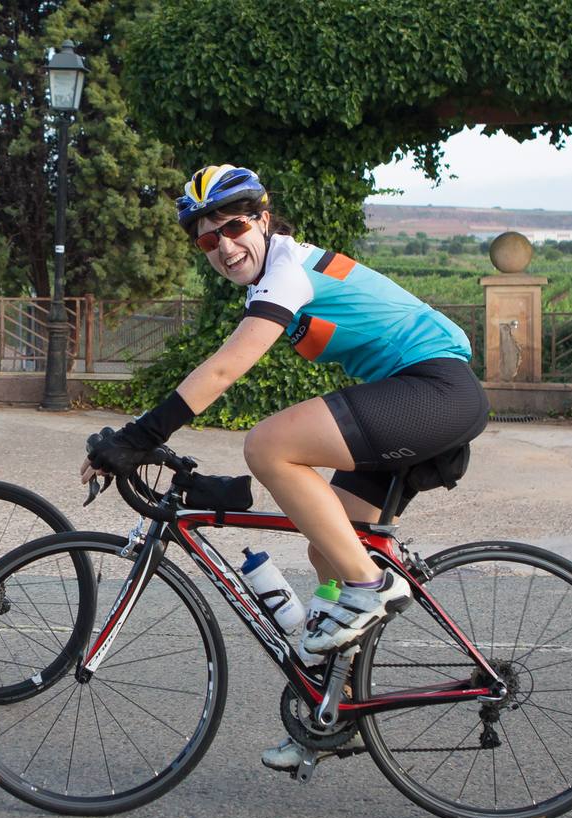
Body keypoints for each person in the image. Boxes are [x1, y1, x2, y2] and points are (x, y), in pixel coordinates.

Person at [82, 164, 487, 771]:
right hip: (418, 395)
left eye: (235, 226)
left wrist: (138, 437)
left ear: (264, 220)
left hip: (435, 388)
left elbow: (224, 369)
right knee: (331, 546)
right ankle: (334, 712)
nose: (223, 245)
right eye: (206, 238)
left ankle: (373, 586)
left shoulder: (288, 273)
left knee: (268, 446)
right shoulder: (272, 277)